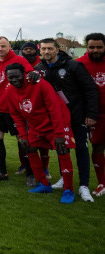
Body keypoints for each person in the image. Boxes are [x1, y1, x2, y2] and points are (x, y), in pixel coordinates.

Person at [35, 38, 98, 202]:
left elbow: (90, 90)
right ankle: (65, 177)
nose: (47, 52)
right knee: (62, 149)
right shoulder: (39, 69)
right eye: (44, 49)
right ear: (40, 51)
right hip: (57, 120)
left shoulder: (73, 66)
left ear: (57, 49)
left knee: (81, 150)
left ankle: (84, 186)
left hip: (77, 116)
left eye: (50, 48)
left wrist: (91, 114)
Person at [5, 63, 77, 204]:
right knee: (29, 148)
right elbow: (16, 115)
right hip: (36, 125)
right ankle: (44, 184)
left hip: (56, 122)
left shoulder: (40, 84)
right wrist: (23, 135)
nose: (14, 80)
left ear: (24, 74)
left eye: (17, 76)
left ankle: (68, 190)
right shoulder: (10, 91)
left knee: (63, 151)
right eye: (10, 77)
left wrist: (59, 134)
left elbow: (55, 109)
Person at [0, 36, 35, 181]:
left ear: (9, 46)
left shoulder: (20, 61)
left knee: (22, 139)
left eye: (3, 46)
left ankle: (30, 172)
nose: (0, 49)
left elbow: (30, 79)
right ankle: (2, 172)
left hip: (15, 108)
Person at [76, 33, 105, 196]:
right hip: (93, 115)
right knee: (98, 147)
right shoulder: (79, 64)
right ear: (86, 47)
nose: (95, 50)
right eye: (92, 47)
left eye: (99, 47)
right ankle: (102, 182)